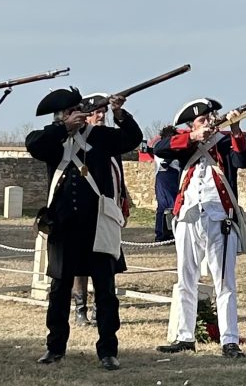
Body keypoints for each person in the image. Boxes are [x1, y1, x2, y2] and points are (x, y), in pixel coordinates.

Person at [27, 88, 142, 371]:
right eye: (69, 113)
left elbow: (132, 139)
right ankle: (55, 347)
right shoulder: (51, 139)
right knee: (59, 290)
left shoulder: (100, 137)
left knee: (105, 291)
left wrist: (120, 114)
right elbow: (35, 145)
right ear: (63, 116)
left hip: (97, 224)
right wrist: (62, 129)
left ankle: (107, 350)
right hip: (63, 226)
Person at [155, 98, 246, 358]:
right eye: (202, 119)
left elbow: (243, 160)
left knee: (224, 282)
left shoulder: (223, 142)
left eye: (211, 117)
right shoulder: (186, 142)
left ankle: (229, 339)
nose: (209, 121)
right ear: (192, 125)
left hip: (219, 217)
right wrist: (194, 136)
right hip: (187, 216)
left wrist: (235, 128)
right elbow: (160, 148)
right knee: (186, 279)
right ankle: (184, 336)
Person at [70, 94, 132, 327]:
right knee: (80, 265)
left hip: (108, 211)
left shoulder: (109, 141)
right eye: (96, 111)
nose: (101, 115)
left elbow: (117, 175)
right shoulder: (78, 142)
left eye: (103, 111)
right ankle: (80, 308)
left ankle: (100, 308)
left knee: (106, 263)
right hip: (84, 213)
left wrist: (122, 202)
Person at [148, 125, 180, 243]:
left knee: (173, 206)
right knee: (165, 207)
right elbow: (164, 163)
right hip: (165, 177)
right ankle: (162, 234)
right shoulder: (161, 148)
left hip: (173, 176)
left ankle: (170, 232)